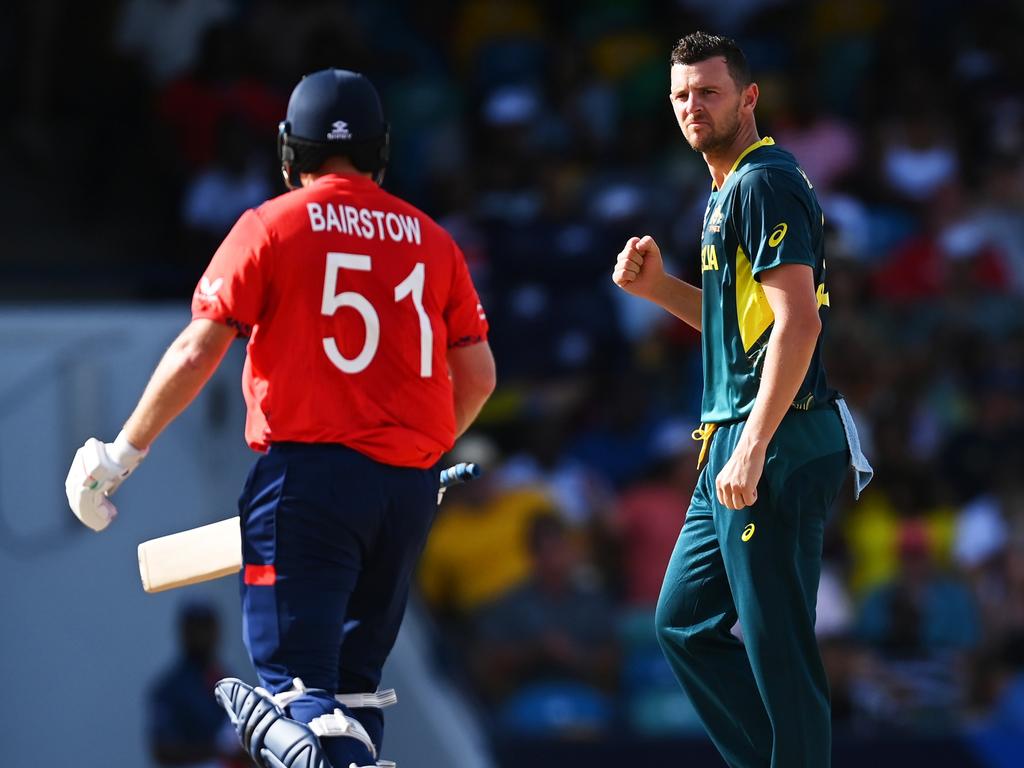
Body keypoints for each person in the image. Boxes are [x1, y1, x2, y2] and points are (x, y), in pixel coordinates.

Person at [65, 68, 495, 768]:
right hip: (406, 494)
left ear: (288, 151)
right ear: (381, 151)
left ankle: (294, 733)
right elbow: (478, 376)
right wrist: (419, 456)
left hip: (308, 485)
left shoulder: (270, 225)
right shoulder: (434, 242)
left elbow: (198, 349)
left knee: (292, 697)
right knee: (351, 701)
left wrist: (119, 456)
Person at [612, 32, 872, 768]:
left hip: (776, 437)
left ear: (749, 98)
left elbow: (801, 322)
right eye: (681, 95)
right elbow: (738, 326)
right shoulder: (729, 191)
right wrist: (658, 291)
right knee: (681, 624)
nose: (694, 106)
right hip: (737, 436)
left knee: (778, 650)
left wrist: (754, 444)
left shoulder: (762, 182)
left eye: (710, 92)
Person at [147, 603, 247, 768]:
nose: (202, 636)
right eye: (196, 629)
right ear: (184, 632)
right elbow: (163, 750)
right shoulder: (170, 689)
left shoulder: (228, 680)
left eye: (207, 628)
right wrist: (220, 750)